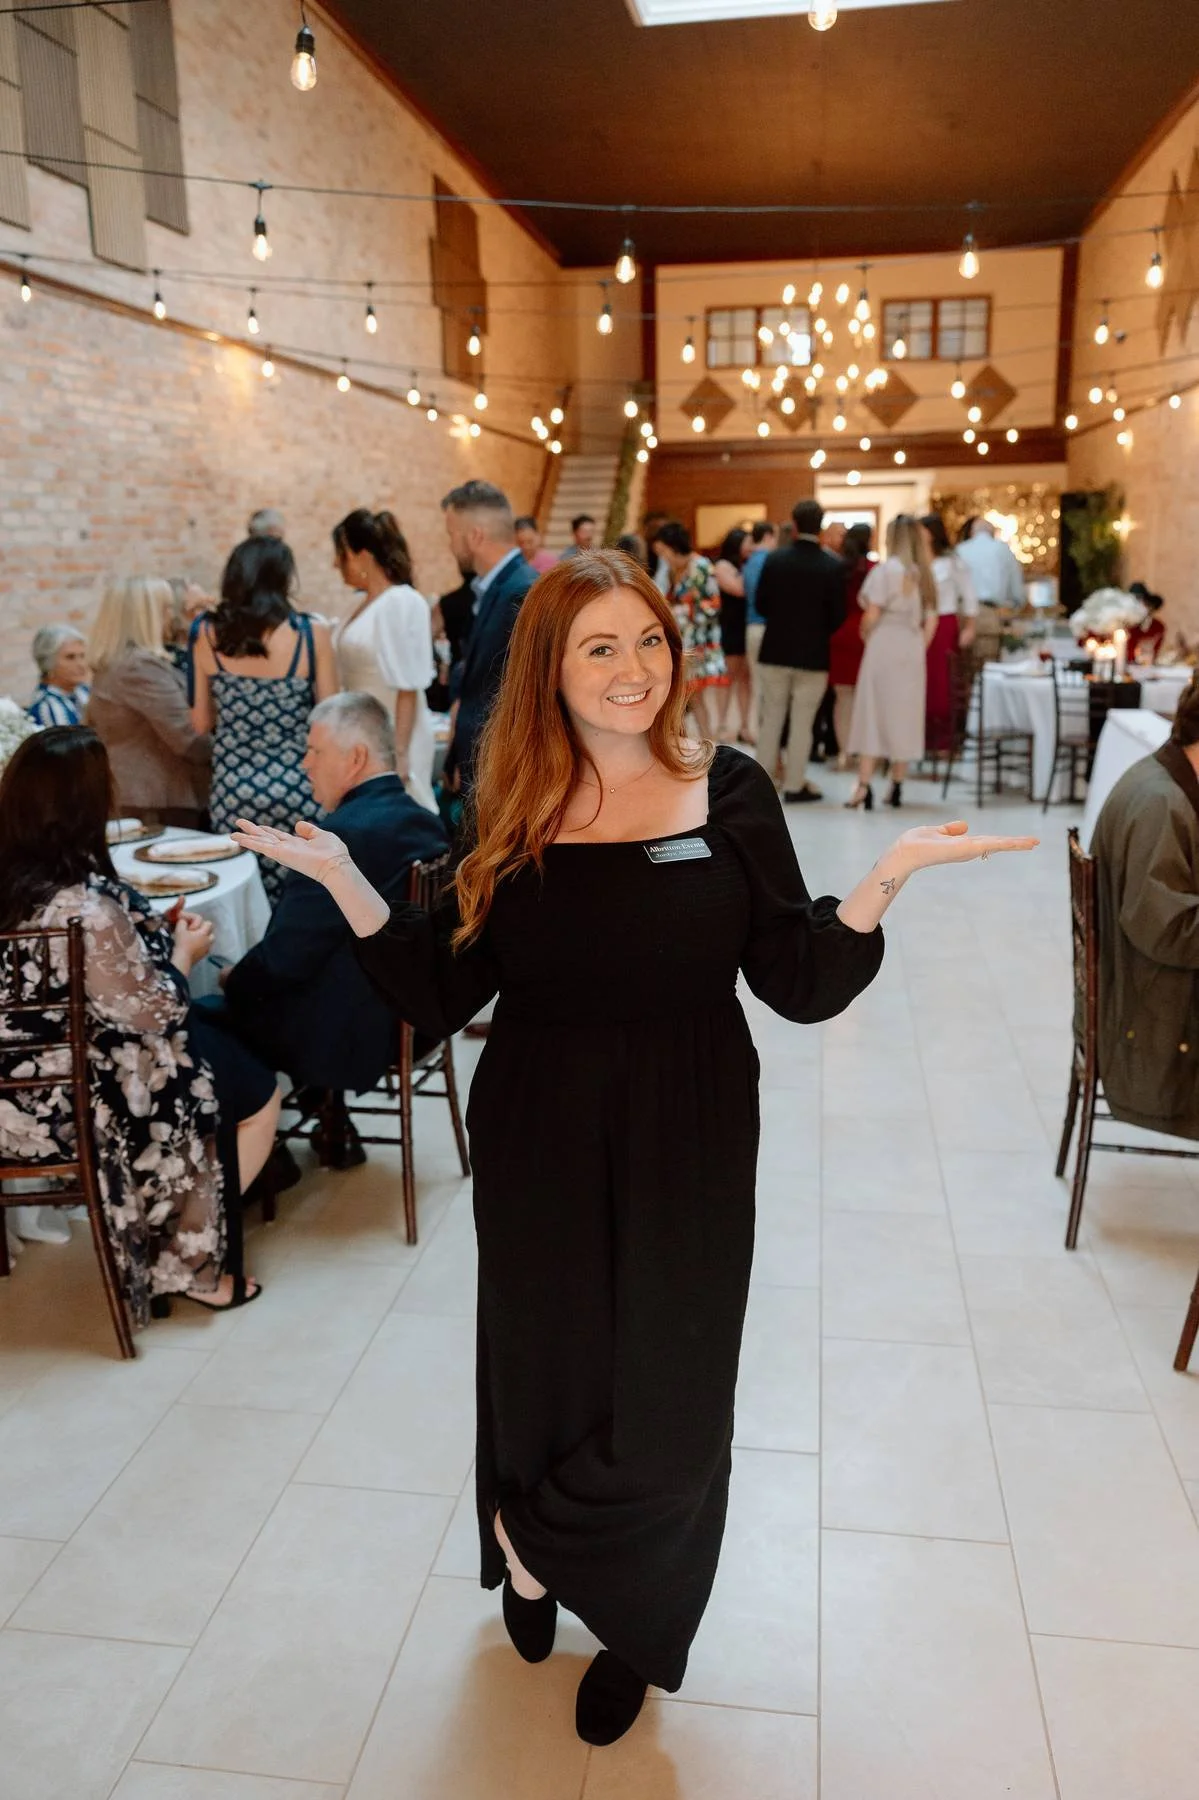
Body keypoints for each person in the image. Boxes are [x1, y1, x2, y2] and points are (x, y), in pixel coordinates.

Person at [232, 548, 1035, 1748]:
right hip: (539, 1122)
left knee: (672, 1396)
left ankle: (588, 1585)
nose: (632, 668)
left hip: (690, 1122)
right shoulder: (510, 803)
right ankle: (541, 1567)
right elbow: (440, 990)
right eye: (598, 647)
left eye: (648, 639)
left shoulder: (730, 788)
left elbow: (796, 978)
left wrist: (882, 881)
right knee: (548, 1366)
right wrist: (347, 877)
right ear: (548, 671)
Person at [0, 727, 277, 1322]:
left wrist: (148, 934)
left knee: (220, 1044)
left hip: (20, 1080)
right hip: (76, 1093)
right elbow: (155, 1011)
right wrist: (185, 953)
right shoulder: (83, 910)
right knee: (253, 1089)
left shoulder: (22, 887)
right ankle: (187, 1263)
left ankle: (179, 1234)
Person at [203, 694, 447, 1148]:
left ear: (355, 758)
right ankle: (332, 1122)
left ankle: (264, 1158)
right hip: (414, 1022)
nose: (305, 763)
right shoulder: (423, 820)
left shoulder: (343, 836)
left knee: (202, 1015)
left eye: (314, 750)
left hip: (349, 1034)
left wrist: (233, 979)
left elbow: (284, 959)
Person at [188, 537, 338, 903]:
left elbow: (201, 722)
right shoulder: (311, 633)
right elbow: (332, 715)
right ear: (284, 579)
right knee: (300, 893)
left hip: (234, 789)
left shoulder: (205, 632)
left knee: (240, 890)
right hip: (299, 784)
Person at [1092, 677, 1199, 1138]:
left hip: (1144, 995)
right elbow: (1168, 931)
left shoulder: (1164, 778)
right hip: (1152, 1025)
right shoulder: (1161, 803)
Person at [331, 509, 437, 814]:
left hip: (394, 731)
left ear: (362, 556)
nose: (335, 563)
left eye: (341, 554)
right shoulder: (358, 604)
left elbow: (409, 685)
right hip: (359, 730)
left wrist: (399, 754)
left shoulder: (402, 601)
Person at [86, 577, 212, 828]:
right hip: (155, 799)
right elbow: (188, 738)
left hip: (143, 795)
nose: (171, 617)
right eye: (166, 609)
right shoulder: (139, 667)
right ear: (146, 616)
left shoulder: (120, 662)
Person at [440, 480, 538, 797]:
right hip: (480, 764)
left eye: (452, 535)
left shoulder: (521, 590)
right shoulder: (498, 586)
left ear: (475, 536)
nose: (450, 545)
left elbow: (517, 692)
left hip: (500, 771)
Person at [754, 498, 845, 803]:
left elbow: (761, 604)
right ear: (820, 526)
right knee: (803, 722)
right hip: (813, 654)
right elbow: (838, 615)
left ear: (793, 525)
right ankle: (794, 784)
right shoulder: (832, 565)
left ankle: (763, 784)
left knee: (771, 718)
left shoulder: (775, 560)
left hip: (775, 649)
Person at [847, 514, 938, 810]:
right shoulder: (925, 575)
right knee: (905, 714)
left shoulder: (885, 571)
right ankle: (897, 783)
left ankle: (864, 785)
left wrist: (866, 634)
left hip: (884, 643)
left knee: (873, 711)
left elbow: (872, 613)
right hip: (911, 646)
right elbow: (932, 619)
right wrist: (918, 647)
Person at [652, 521, 726, 738]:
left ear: (673, 546)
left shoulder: (700, 566)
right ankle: (699, 740)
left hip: (698, 641)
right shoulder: (673, 570)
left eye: (664, 552)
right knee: (686, 697)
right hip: (680, 639)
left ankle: (707, 740)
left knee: (692, 695)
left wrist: (683, 610)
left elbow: (712, 606)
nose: (663, 557)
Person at [920, 513, 979, 755]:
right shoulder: (916, 562)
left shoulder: (952, 563)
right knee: (921, 679)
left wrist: (970, 627)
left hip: (944, 623)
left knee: (942, 680)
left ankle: (944, 739)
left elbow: (969, 595)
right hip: (919, 624)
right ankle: (920, 736)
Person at [828, 522, 873, 771]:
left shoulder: (837, 568)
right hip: (866, 634)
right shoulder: (873, 569)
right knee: (865, 699)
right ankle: (863, 752)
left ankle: (844, 752)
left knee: (843, 698)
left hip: (840, 633)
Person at [955, 517, 1024, 661]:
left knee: (961, 667)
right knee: (986, 667)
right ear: (992, 533)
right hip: (987, 615)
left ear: (972, 533)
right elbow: (1016, 589)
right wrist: (1017, 606)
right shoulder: (1002, 549)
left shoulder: (960, 550)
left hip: (961, 615)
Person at [711, 527, 751, 743]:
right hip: (731, 627)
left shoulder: (744, 565)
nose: (751, 546)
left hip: (744, 625)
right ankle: (722, 725)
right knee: (727, 678)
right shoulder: (722, 566)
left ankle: (744, 726)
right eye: (748, 542)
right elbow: (739, 589)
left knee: (745, 678)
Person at [742, 520, 778, 746]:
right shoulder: (769, 560)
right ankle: (765, 733)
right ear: (768, 536)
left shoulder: (749, 562)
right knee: (770, 686)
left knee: (757, 682)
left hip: (751, 626)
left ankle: (757, 730)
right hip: (767, 626)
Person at [28, 626, 90, 726]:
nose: (81, 664)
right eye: (70, 657)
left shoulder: (84, 690)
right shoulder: (47, 706)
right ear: (48, 663)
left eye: (83, 656)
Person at [1128, 582, 1167, 664]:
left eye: (1145, 604)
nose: (1140, 608)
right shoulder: (1122, 627)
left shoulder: (1158, 627)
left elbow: (1154, 654)